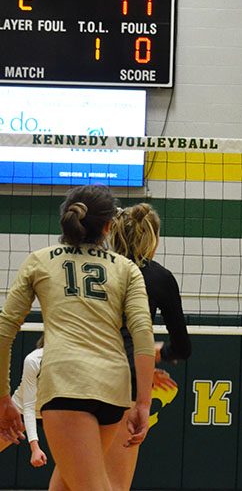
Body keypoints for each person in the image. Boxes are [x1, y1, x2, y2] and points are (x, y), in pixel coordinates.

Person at [0, 185, 155, 491]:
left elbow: (5, 329)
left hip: (66, 384)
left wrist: (3, 397)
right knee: (66, 486)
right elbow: (143, 335)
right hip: (114, 388)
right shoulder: (127, 269)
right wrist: (143, 403)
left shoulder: (39, 260)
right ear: (109, 226)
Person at [106, 202, 192, 490]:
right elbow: (182, 346)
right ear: (152, 238)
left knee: (73, 476)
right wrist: (157, 354)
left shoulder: (96, 266)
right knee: (116, 482)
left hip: (79, 371)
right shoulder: (158, 277)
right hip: (124, 376)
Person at [0, 338, 47, 468]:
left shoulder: (75, 360)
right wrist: (35, 448)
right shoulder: (34, 360)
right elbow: (29, 406)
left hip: (51, 412)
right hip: (21, 409)